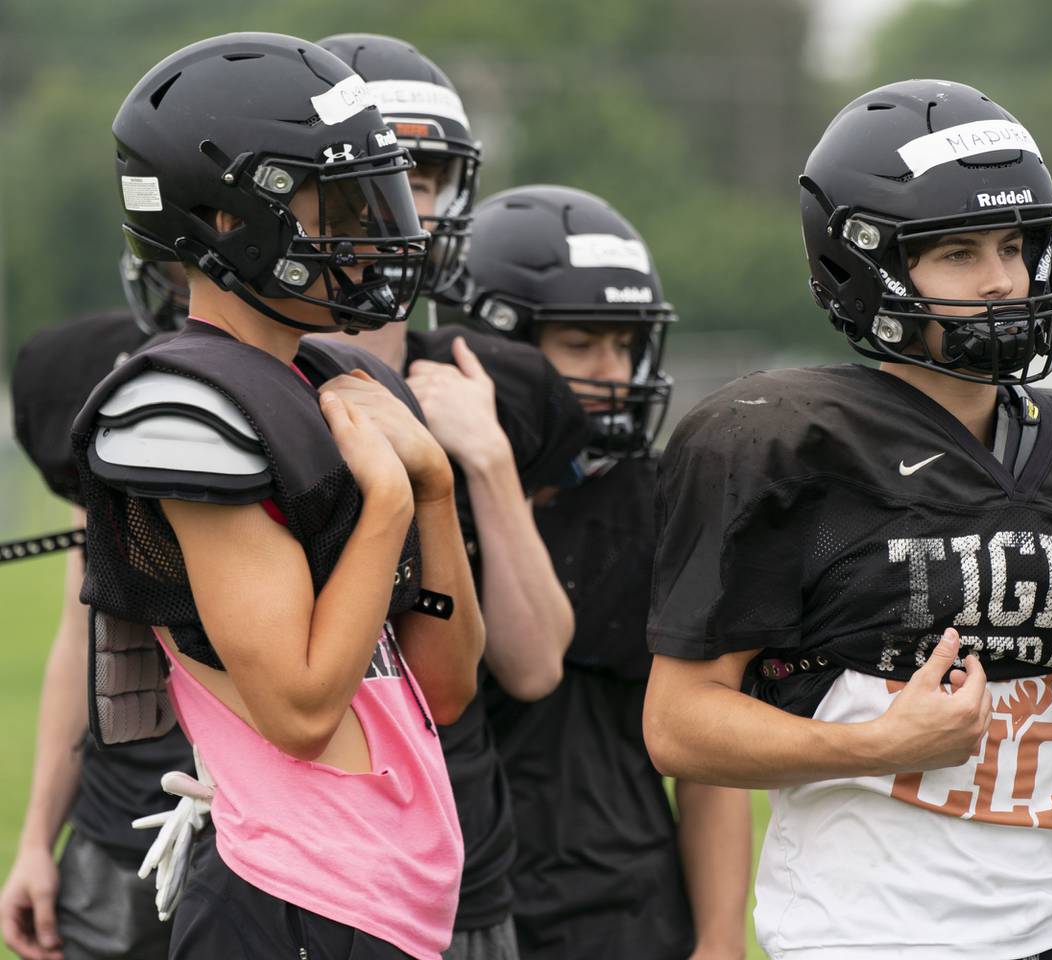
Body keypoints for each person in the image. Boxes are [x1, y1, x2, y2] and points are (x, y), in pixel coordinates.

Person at [643, 79, 1052, 959]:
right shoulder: (776, 443)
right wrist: (880, 742)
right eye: (958, 252)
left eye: (1014, 244)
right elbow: (678, 724)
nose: (1004, 279)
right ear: (868, 265)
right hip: (868, 938)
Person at [73, 33, 485, 959]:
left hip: (379, 901)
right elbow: (299, 712)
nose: (369, 232)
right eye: (335, 204)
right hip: (292, 897)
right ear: (225, 220)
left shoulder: (328, 377)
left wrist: (435, 492)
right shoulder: (181, 408)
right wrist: (386, 505)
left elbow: (448, 685)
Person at [313, 35, 590, 960]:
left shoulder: (490, 387)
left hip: (454, 865)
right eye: (374, 169)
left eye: (422, 174)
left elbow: (536, 664)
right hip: (287, 854)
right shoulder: (235, 392)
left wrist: (488, 461)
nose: (402, 201)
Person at [464, 185, 752, 960]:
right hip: (452, 906)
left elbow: (709, 760)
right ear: (493, 340)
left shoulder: (664, 502)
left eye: (626, 345)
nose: (614, 371)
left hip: (627, 910)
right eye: (583, 343)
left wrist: (721, 939)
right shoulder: (425, 493)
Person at [1, 257, 191, 960]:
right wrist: (34, 844)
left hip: (286, 854)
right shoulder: (128, 394)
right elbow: (81, 640)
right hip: (122, 837)